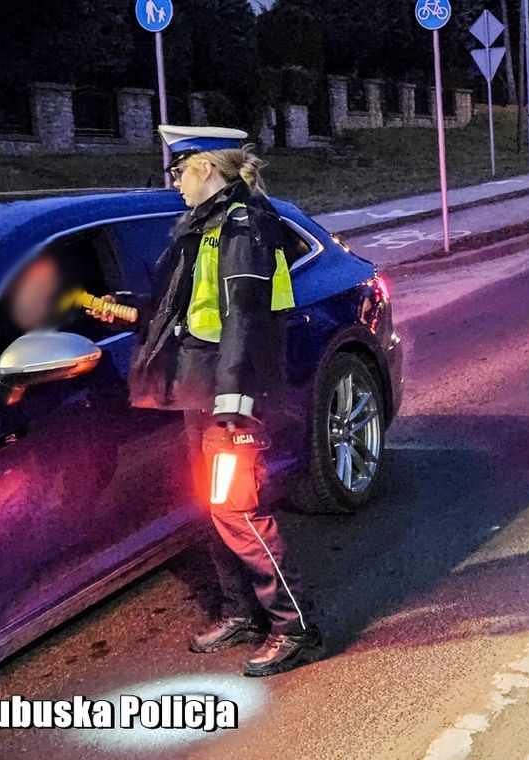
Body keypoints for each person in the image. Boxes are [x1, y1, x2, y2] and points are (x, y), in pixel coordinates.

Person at [92, 125, 324, 677]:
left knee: (237, 510)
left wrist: (234, 406)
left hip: (229, 398)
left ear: (206, 169)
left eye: (179, 171)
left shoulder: (243, 229)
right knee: (213, 505)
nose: (173, 182)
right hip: (203, 392)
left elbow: (246, 323)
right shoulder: (207, 226)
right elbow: (191, 310)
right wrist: (126, 313)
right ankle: (240, 611)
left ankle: (294, 627)